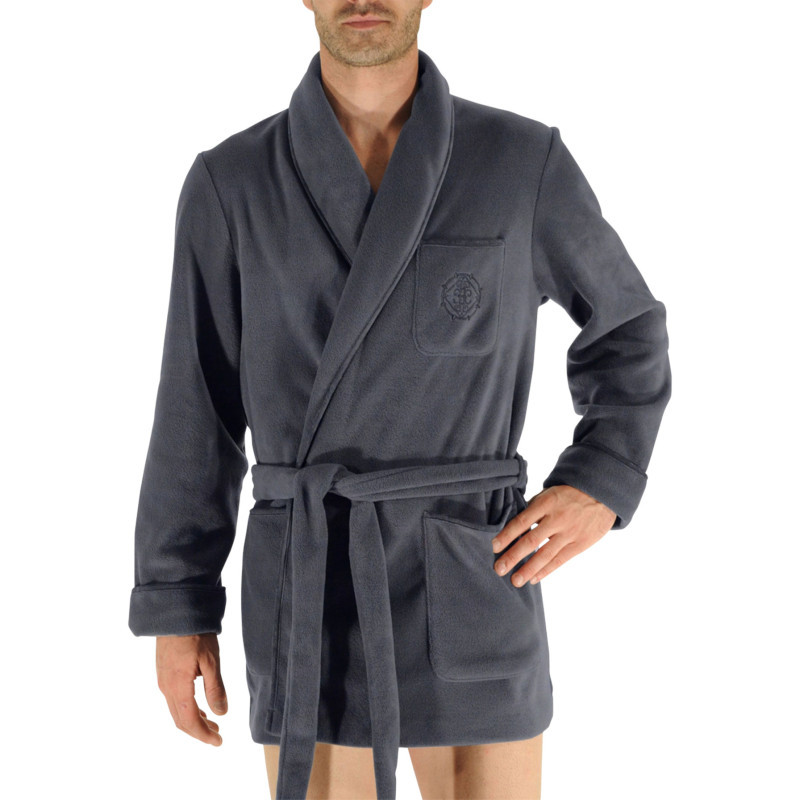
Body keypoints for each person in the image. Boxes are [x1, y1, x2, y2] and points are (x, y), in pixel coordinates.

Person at [128, 1, 672, 798]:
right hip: (312, 586)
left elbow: (627, 330)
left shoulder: (520, 162)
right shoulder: (231, 182)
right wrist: (179, 604)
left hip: (474, 569)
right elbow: (195, 409)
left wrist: (603, 479)